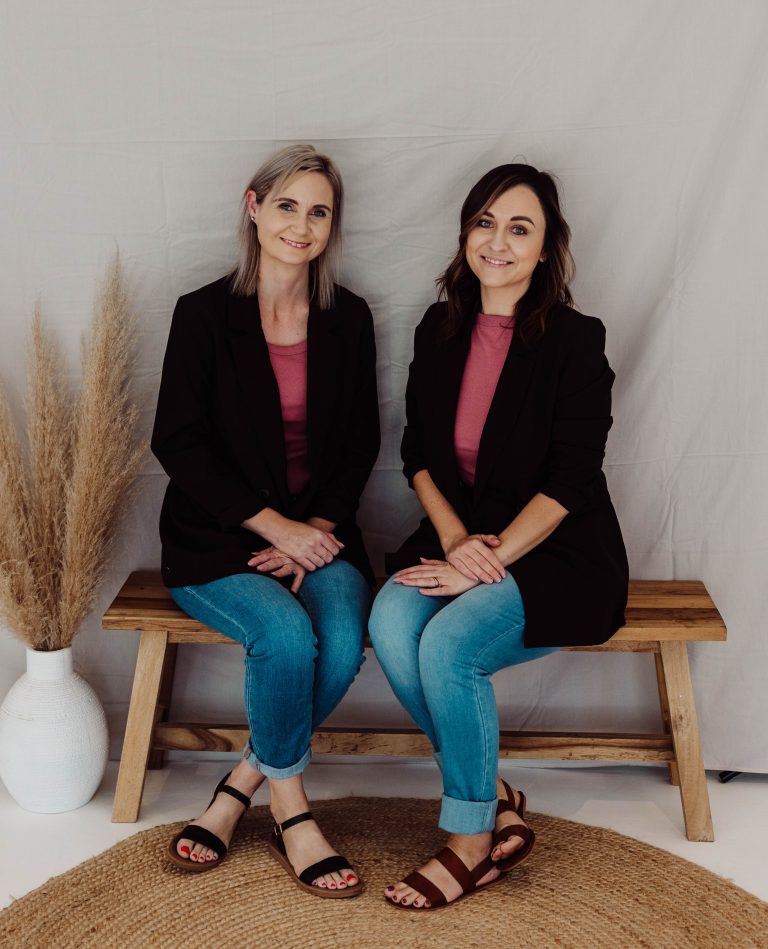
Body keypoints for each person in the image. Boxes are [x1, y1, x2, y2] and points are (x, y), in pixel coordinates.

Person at [369, 163, 628, 910]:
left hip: (558, 553)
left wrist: (485, 562)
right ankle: (492, 794)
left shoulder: (576, 340)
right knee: (391, 622)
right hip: (462, 536)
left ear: (546, 248)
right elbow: (418, 453)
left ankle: (470, 844)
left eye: (520, 228)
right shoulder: (439, 328)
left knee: (449, 647)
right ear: (465, 233)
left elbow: (572, 481)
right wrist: (456, 543)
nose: (498, 242)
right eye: (485, 222)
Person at [151, 144, 380, 898]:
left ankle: (238, 784)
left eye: (318, 212)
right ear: (253, 208)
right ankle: (292, 808)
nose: (301, 226)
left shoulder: (349, 318)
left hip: (322, 531)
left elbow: (361, 443)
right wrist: (276, 529)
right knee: (283, 635)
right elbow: (178, 441)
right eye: (286, 206)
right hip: (217, 538)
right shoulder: (202, 314)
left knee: (339, 639)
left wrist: (311, 533)